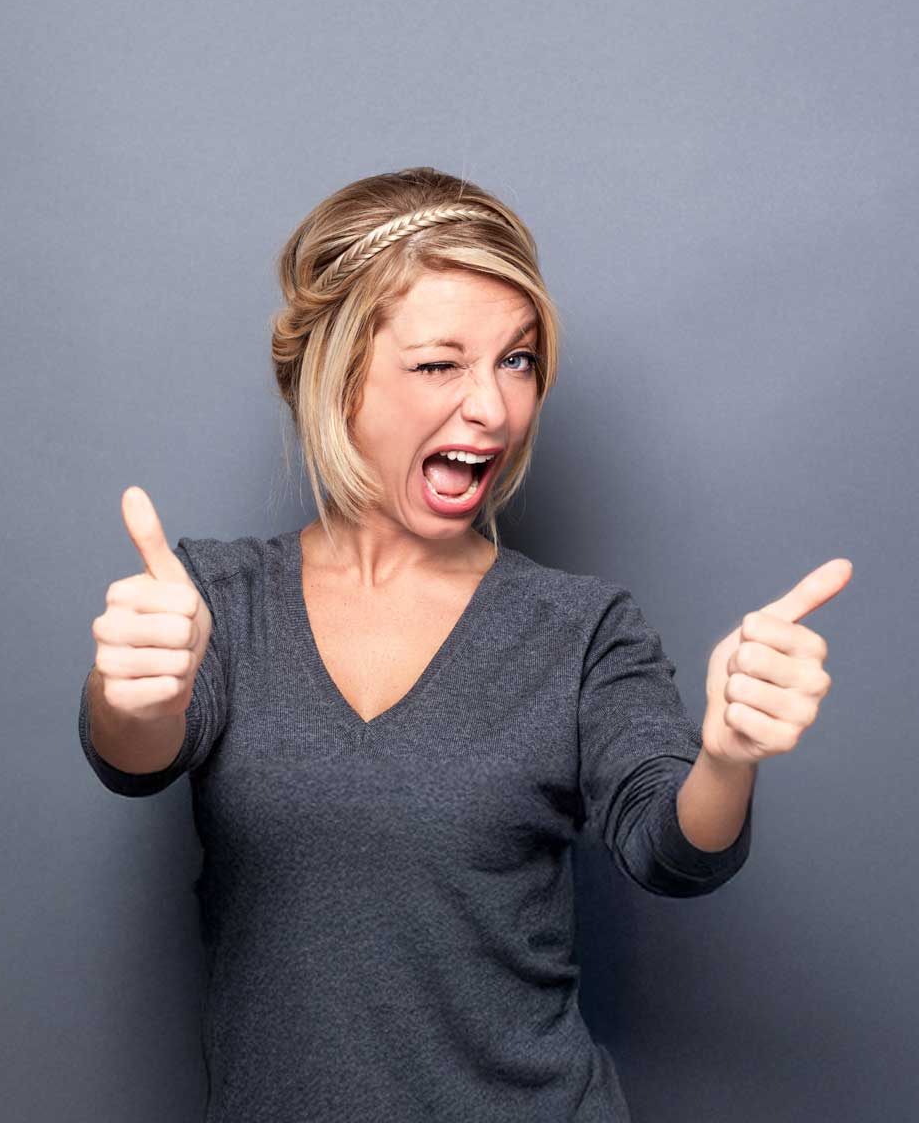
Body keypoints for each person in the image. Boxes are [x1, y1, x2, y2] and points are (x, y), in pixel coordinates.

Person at [79, 166, 852, 1121]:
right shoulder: (215, 602)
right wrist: (132, 694)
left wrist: (728, 757)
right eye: (440, 364)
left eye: (517, 361)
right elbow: (134, 754)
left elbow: (672, 849)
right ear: (336, 371)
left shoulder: (580, 630)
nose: (493, 409)